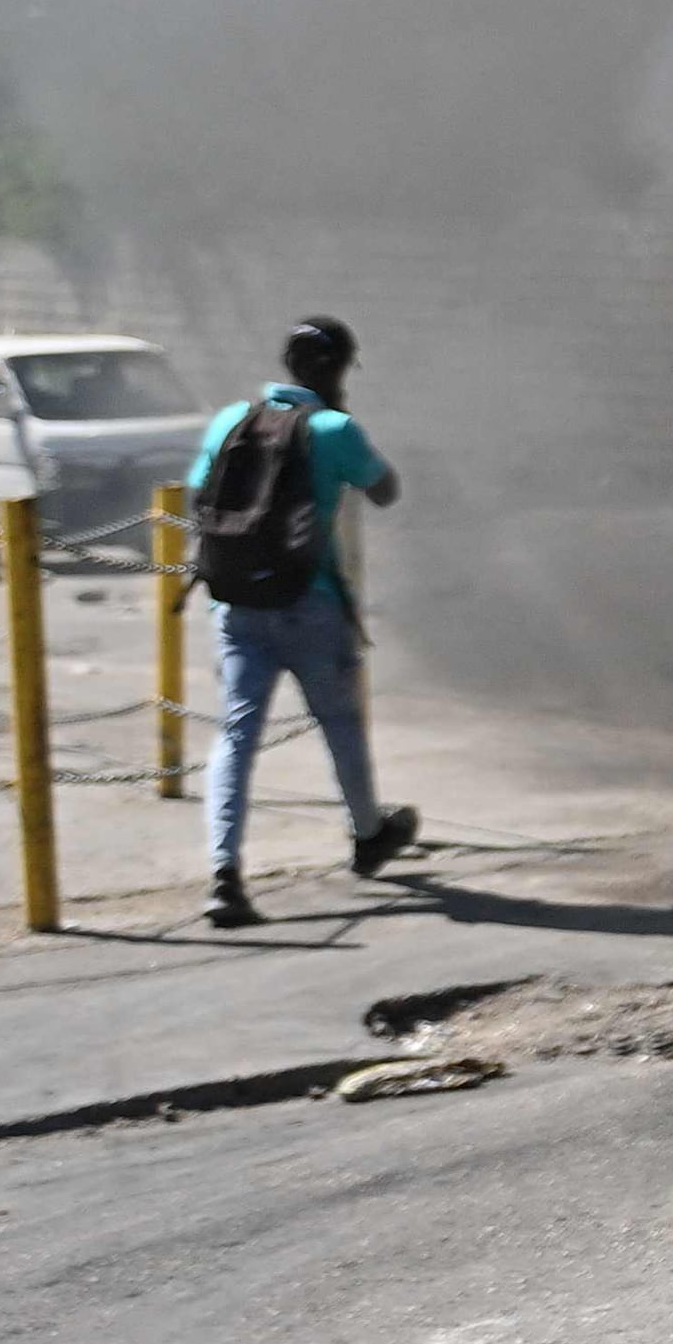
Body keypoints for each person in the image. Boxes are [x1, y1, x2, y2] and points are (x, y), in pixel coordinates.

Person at [185, 316, 421, 926]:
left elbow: (197, 495)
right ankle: (368, 833)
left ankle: (224, 876)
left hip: (236, 608)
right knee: (340, 720)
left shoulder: (229, 421)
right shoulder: (334, 428)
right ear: (339, 371)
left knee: (236, 737)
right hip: (310, 603)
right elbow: (385, 489)